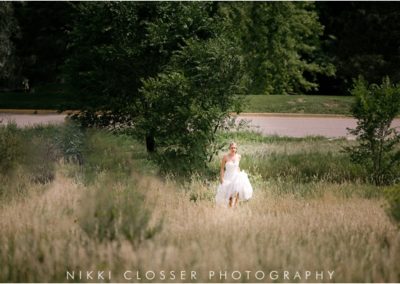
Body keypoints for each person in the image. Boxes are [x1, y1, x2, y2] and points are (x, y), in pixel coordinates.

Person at [215, 142, 253, 208]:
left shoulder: (238, 156)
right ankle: (230, 207)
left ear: (236, 149)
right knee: (229, 195)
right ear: (229, 148)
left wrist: (240, 174)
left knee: (237, 192)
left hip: (236, 177)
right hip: (228, 177)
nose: (233, 149)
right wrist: (221, 177)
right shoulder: (225, 157)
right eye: (232, 148)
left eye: (235, 148)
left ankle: (235, 206)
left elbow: (237, 167)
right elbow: (222, 169)